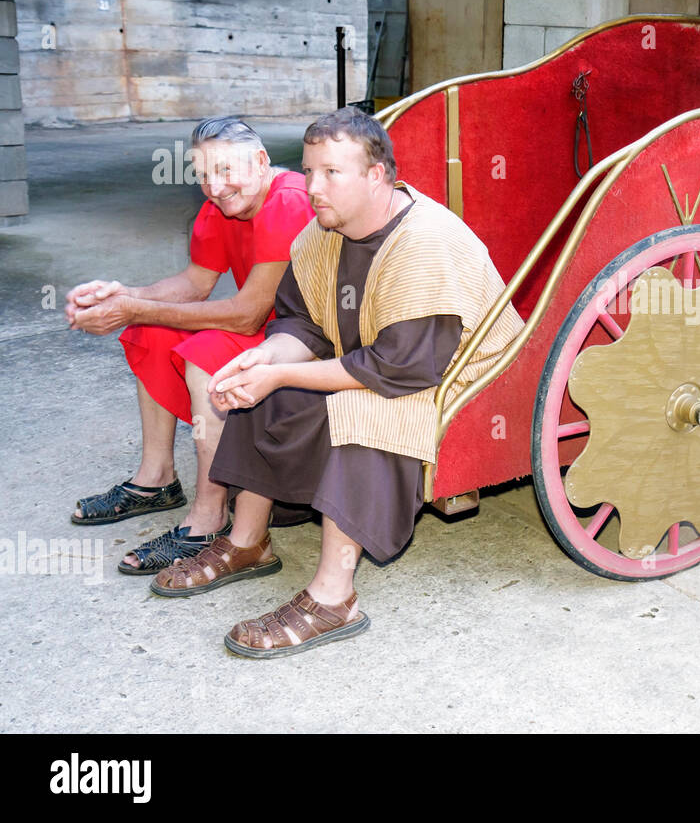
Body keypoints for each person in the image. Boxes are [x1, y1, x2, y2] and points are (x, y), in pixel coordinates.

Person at [149, 106, 524, 658]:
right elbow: (302, 322)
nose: (313, 187)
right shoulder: (327, 231)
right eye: (308, 171)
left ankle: (334, 597)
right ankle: (246, 542)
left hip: (456, 376)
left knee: (363, 413)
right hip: (385, 361)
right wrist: (266, 361)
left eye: (330, 173)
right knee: (266, 384)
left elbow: (396, 370)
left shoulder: (424, 243)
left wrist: (280, 372)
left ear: (376, 177)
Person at [67, 117, 315, 574]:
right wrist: (124, 295)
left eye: (225, 171)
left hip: (309, 339)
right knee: (151, 331)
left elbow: (247, 314)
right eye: (203, 174)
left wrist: (133, 307)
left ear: (261, 162)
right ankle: (157, 479)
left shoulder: (287, 202)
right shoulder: (225, 205)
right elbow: (195, 284)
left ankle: (210, 516)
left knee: (204, 353)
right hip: (269, 330)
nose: (215, 187)